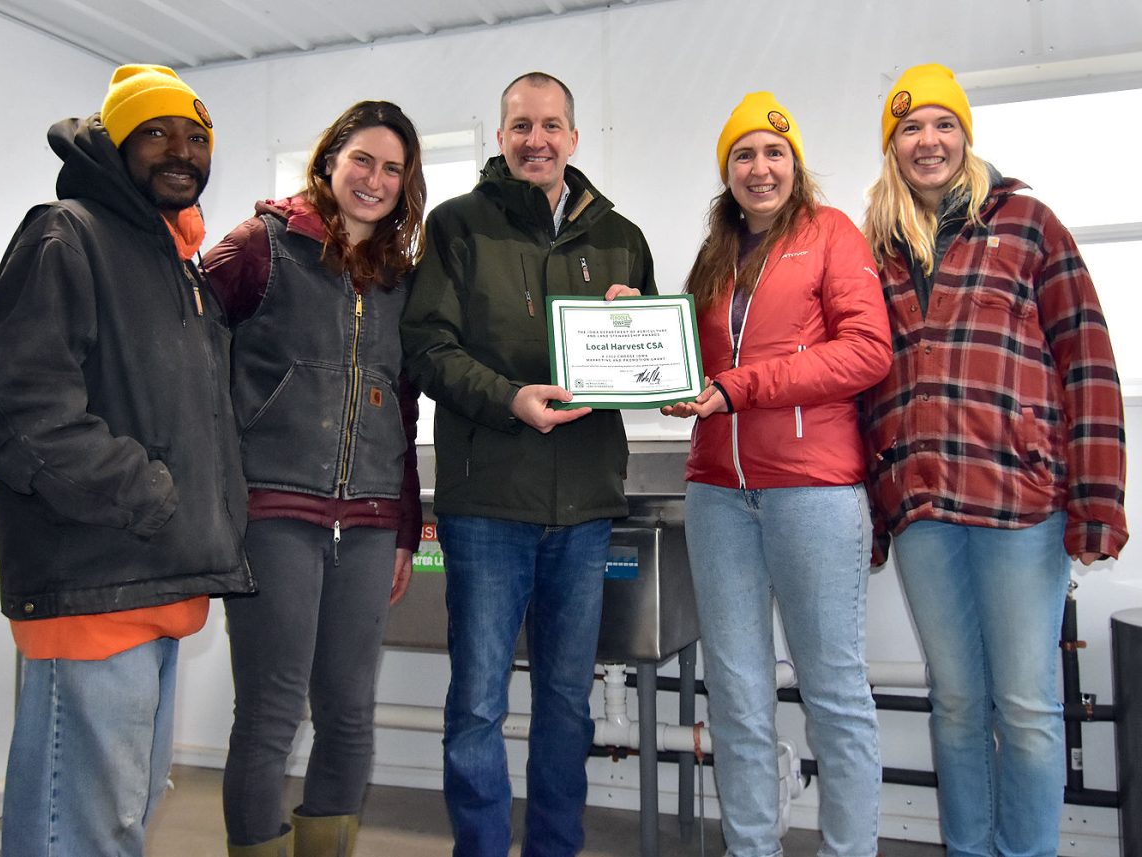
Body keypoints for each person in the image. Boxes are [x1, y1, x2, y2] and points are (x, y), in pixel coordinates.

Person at [0, 65, 250, 857]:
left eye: (196, 137)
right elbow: (19, 405)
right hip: (96, 578)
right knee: (79, 829)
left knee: (119, 815)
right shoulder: (68, 233)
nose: (179, 151)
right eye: (155, 132)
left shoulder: (173, 262)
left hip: (153, 577)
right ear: (116, 142)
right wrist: (147, 492)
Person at [861, 63, 1128, 857]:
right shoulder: (873, 248)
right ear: (892, 147)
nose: (928, 141)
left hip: (1022, 505)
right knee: (956, 702)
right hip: (921, 508)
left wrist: (1099, 500)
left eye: (943, 124)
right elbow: (862, 383)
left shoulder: (1028, 223)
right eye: (910, 128)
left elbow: (1087, 360)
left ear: (965, 136)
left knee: (1029, 706)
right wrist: (873, 508)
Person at [400, 71, 656, 857]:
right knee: (477, 702)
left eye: (551, 125)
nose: (535, 139)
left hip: (583, 508)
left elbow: (654, 360)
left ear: (574, 138)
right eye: (520, 126)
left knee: (567, 704)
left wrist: (634, 335)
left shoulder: (622, 236)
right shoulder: (455, 227)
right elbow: (426, 347)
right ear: (500, 137)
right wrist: (509, 398)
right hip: (486, 507)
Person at [662, 92, 890, 857]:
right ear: (726, 170)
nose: (760, 169)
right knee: (737, 692)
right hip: (717, 491)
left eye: (774, 153)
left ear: (796, 164)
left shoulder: (832, 236)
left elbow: (867, 351)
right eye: (743, 155)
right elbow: (698, 366)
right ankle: (750, 846)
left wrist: (745, 385)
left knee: (833, 692)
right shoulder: (716, 254)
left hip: (813, 488)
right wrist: (639, 331)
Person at [200, 100, 426, 857]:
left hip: (366, 523)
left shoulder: (398, 279)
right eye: (363, 159)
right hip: (274, 512)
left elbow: (402, 409)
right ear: (330, 158)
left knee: (350, 711)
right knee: (269, 711)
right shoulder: (261, 246)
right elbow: (186, 351)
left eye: (393, 169)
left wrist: (406, 528)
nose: (375, 179)